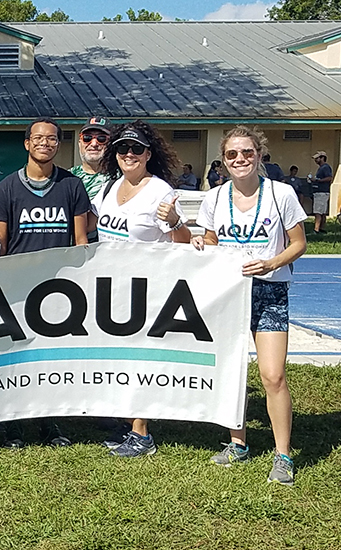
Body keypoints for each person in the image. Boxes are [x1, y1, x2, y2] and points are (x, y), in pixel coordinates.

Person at [193, 126, 306, 486]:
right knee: (232, 372)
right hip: (230, 293)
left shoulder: (281, 193)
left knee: (273, 376)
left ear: (259, 155)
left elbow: (299, 244)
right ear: (223, 161)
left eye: (247, 153)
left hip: (269, 292)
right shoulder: (214, 197)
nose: (240, 160)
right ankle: (237, 443)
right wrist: (201, 243)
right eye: (232, 155)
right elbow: (211, 240)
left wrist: (272, 263)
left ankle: (283, 455)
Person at [0, 117, 89, 448]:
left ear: (58, 145)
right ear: (27, 144)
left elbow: (81, 240)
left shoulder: (72, 186)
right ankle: (12, 425)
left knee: (52, 357)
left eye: (52, 139)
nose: (45, 143)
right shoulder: (8, 189)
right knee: (16, 356)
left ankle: (49, 423)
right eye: (38, 138)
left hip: (59, 287)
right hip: (17, 288)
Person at [89, 122, 191, 458]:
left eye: (136, 149)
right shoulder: (108, 189)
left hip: (147, 289)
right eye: (122, 149)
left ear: (149, 154)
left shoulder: (159, 191)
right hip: (111, 287)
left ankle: (142, 434)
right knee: (118, 357)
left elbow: (183, 242)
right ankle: (127, 423)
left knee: (139, 360)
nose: (128, 154)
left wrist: (176, 221)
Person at [72, 117, 112, 242]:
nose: (94, 144)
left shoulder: (123, 180)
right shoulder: (65, 178)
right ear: (80, 143)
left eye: (101, 139)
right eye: (87, 138)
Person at [310, 151, 333, 233]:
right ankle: (322, 228)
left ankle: (316, 229)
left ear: (322, 158)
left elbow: (329, 178)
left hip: (321, 192)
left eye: (317, 158)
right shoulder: (321, 168)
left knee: (318, 212)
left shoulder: (325, 167)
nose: (315, 160)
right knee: (322, 212)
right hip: (321, 192)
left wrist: (317, 180)